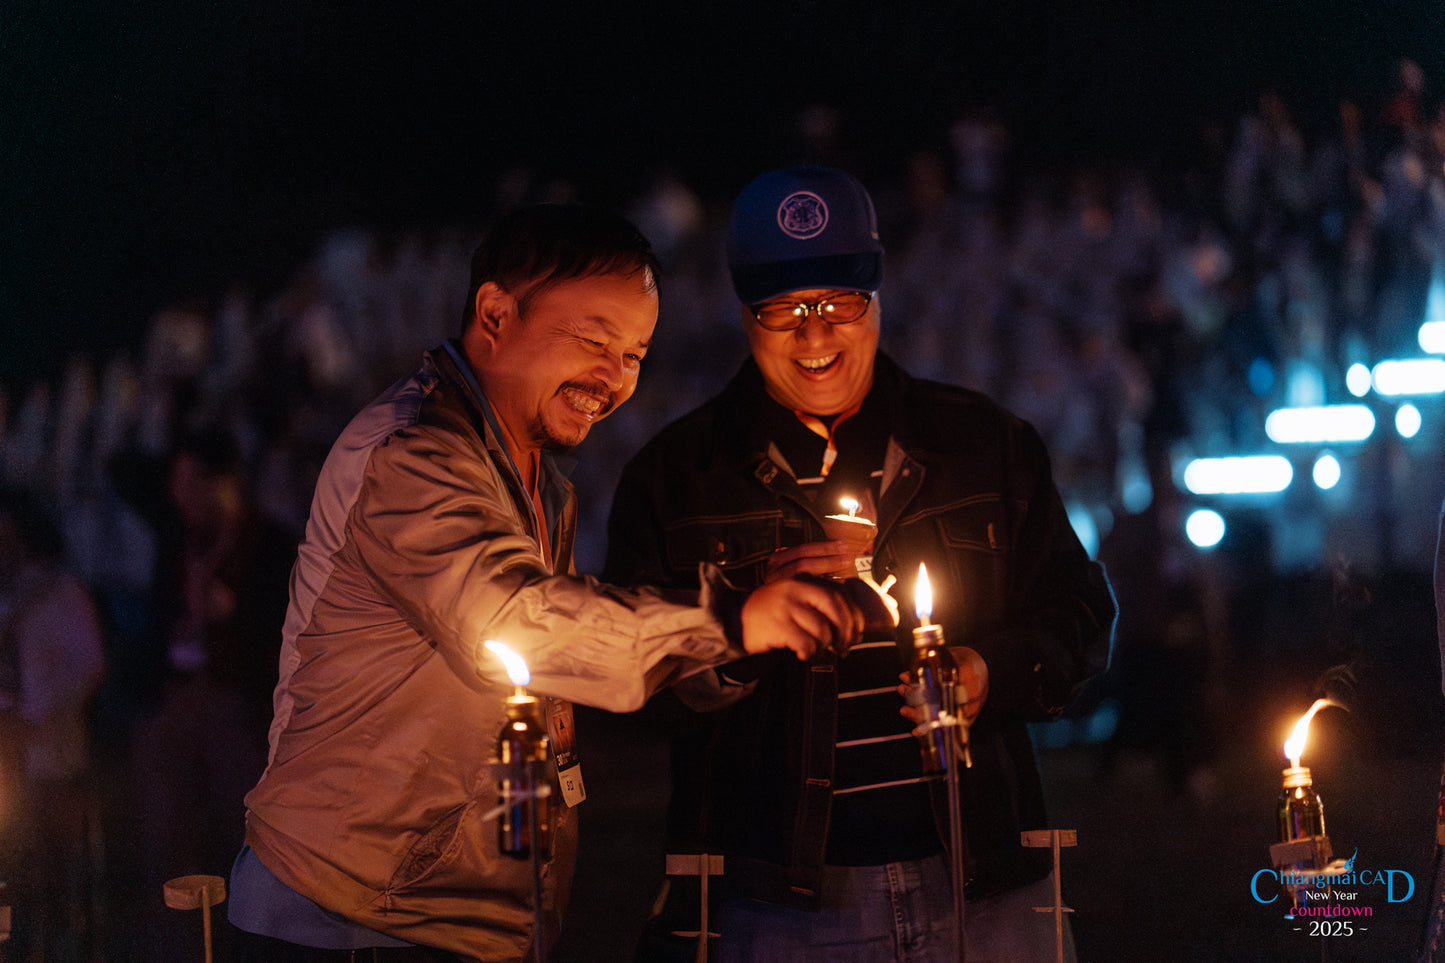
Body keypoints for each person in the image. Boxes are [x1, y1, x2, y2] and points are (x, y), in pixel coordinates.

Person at [227, 203, 864, 963]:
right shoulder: (412, 457)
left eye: (633, 355)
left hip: (457, 919)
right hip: (353, 919)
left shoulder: (530, 474)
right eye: (594, 341)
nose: (614, 379)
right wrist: (729, 619)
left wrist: (750, 612)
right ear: (495, 314)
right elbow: (515, 617)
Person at [605, 166, 1116, 962]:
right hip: (775, 906)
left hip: (983, 883)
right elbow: (624, 686)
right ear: (744, 314)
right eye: (782, 309)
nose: (813, 335)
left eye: (837, 302)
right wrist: (740, 629)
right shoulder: (678, 478)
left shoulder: (981, 446)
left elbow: (1081, 616)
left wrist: (989, 670)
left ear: (876, 295)